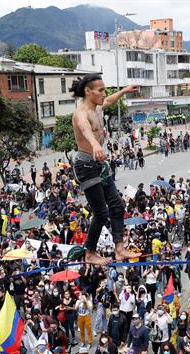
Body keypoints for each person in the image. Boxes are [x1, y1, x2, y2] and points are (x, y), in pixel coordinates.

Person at [70, 73, 141, 265]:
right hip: (86, 164)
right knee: (101, 212)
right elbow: (85, 129)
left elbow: (109, 100)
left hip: (100, 165)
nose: (104, 93)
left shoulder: (98, 107)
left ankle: (119, 249)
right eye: (100, 90)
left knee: (117, 205)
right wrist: (94, 144)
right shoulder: (81, 113)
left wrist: (125, 91)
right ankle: (90, 252)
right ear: (88, 91)